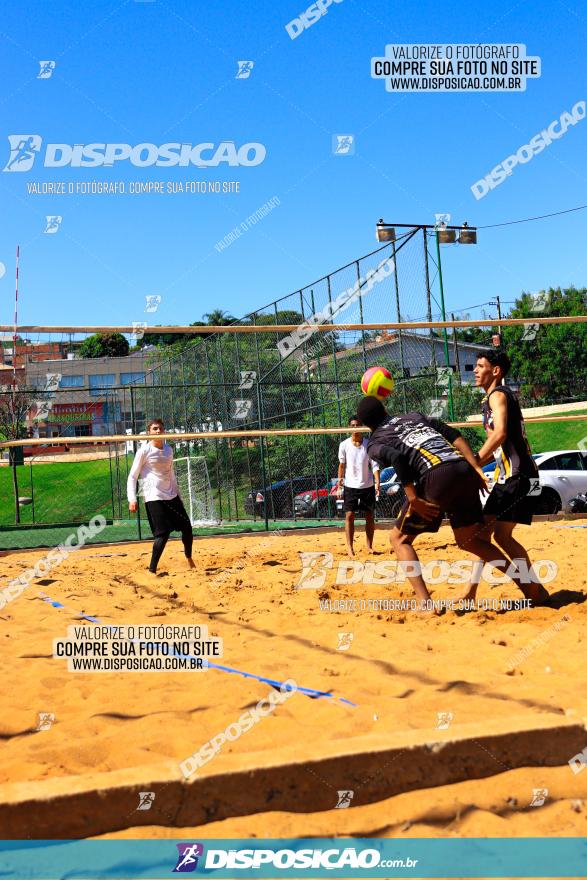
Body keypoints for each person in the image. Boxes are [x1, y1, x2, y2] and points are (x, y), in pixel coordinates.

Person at [356, 396, 549, 611]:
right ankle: (530, 587)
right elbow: (454, 435)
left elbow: (397, 459)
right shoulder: (413, 416)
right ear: (384, 408)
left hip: (436, 476)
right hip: (463, 468)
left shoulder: (375, 442)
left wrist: (412, 498)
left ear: (365, 425)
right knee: (471, 541)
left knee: (399, 539)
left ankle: (425, 603)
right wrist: (475, 467)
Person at [460, 349, 549, 604]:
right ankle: (472, 593)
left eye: (480, 366)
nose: (475, 370)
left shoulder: (498, 395)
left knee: (493, 536)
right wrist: (474, 467)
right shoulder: (494, 399)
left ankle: (534, 590)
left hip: (518, 476)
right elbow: (497, 445)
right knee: (490, 536)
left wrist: (473, 460)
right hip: (518, 476)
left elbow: (498, 435)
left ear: (495, 371)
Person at [127, 418, 195, 574]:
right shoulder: (144, 451)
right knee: (162, 534)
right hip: (154, 496)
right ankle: (152, 570)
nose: (158, 431)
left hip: (171, 496)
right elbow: (132, 476)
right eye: (155, 429)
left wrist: (179, 495)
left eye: (160, 429)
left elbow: (171, 474)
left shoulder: (168, 450)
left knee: (187, 527)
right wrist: (132, 499)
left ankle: (189, 559)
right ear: (149, 432)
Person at [337, 416, 380, 556]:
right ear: (349, 427)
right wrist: (339, 484)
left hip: (367, 485)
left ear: (362, 427)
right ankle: (350, 548)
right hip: (350, 486)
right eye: (353, 426)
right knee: (349, 515)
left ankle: (369, 547)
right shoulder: (344, 445)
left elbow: (374, 465)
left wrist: (377, 482)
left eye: (358, 425)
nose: (355, 428)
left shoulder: (369, 444)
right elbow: (342, 466)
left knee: (369, 516)